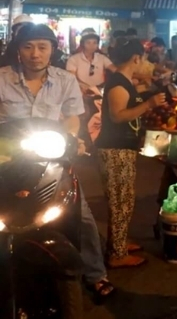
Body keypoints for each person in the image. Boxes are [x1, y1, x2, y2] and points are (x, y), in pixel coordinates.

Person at [0, 24, 115, 300]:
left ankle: (95, 274)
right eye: (28, 47)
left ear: (52, 50)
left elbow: (73, 117)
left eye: (42, 47)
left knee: (81, 215)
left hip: (49, 158)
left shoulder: (65, 80)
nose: (35, 54)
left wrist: (72, 137)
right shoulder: (2, 78)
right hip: (7, 161)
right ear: (18, 50)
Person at [95, 37, 167, 268]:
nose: (144, 63)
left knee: (124, 199)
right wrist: (149, 104)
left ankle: (119, 243)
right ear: (136, 58)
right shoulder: (118, 83)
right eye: (143, 59)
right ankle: (117, 255)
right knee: (120, 202)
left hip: (122, 148)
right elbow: (117, 116)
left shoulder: (125, 80)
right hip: (114, 149)